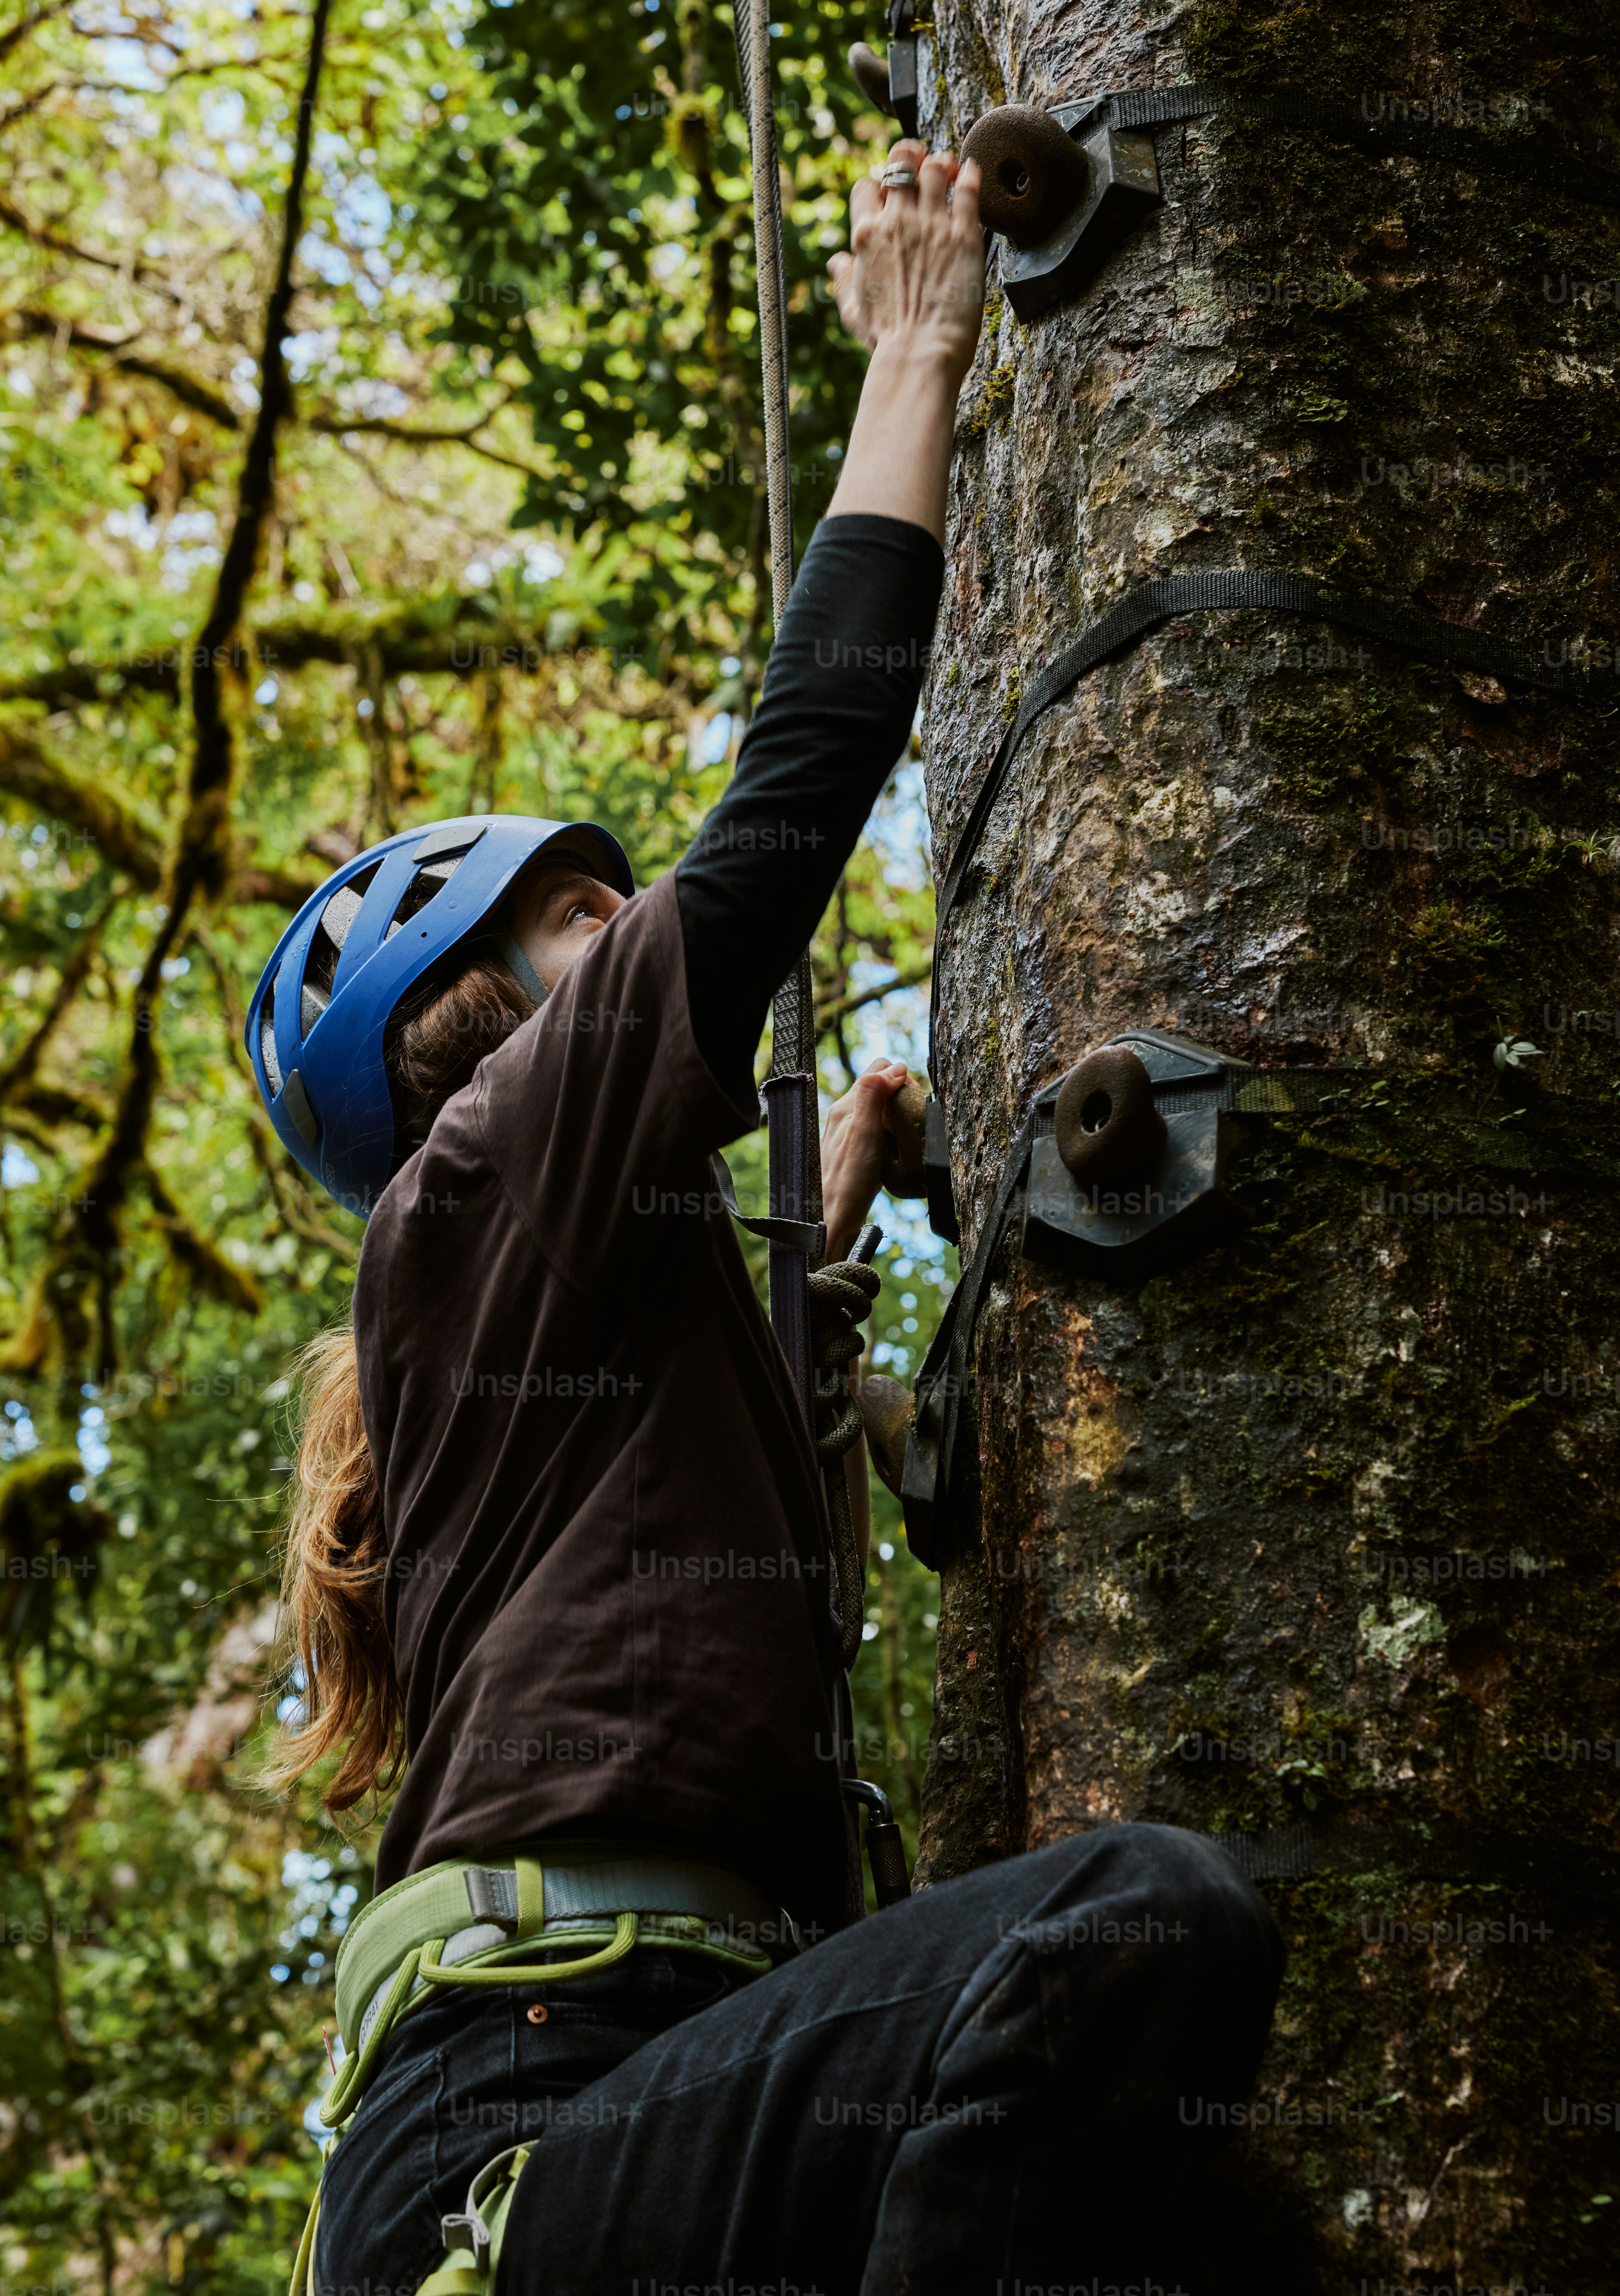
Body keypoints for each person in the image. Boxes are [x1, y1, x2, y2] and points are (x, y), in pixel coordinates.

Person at [251, 137, 1284, 2296]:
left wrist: (808, 1248)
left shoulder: (533, 1277)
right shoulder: (481, 1166)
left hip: (644, 2085)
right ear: (468, 1008)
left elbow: (653, 1479)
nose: (637, 945)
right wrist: (919, 345)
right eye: (585, 920)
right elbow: (798, 791)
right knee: (1133, 1923)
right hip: (534, 2097)